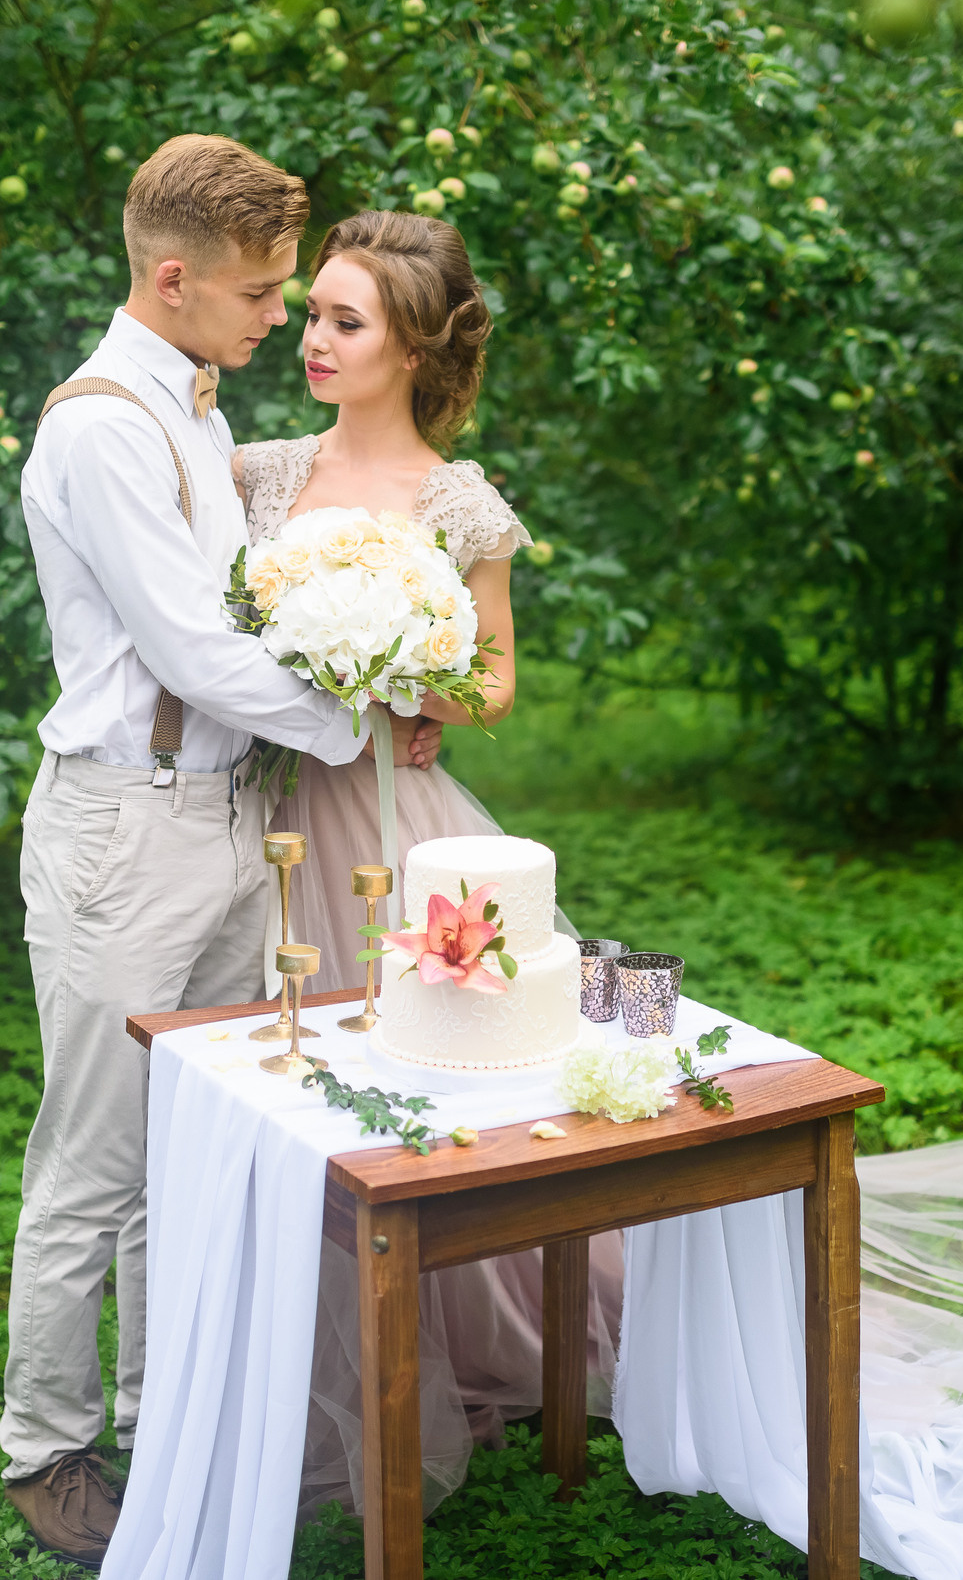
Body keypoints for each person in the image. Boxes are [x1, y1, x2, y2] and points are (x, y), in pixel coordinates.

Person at [2, 138, 438, 1565]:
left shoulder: (193, 406)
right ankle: (46, 1446)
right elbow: (190, 644)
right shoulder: (100, 427)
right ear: (173, 277)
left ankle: (159, 1409)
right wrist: (347, 720)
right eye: (259, 292)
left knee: (194, 1145)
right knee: (94, 1157)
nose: (276, 317)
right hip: (124, 825)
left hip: (223, 818)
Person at [231, 210, 616, 1515]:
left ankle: (447, 1336)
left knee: (412, 1087)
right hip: (259, 814)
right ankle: (280, 1350)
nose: (314, 341)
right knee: (278, 1081)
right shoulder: (258, 472)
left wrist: (416, 672)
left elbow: (498, 675)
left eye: (346, 321)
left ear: (406, 349)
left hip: (394, 825)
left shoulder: (462, 502)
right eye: (317, 315)